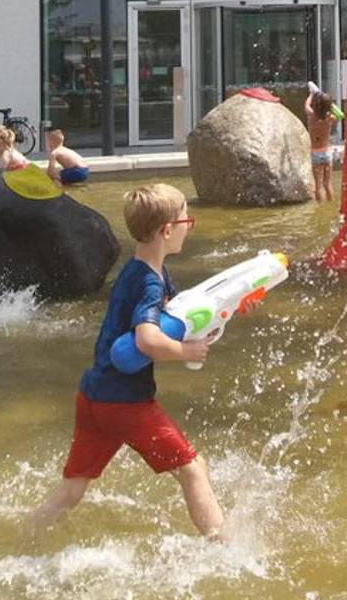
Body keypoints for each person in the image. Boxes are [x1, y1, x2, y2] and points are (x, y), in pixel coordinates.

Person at [32, 183, 225, 540]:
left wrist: (218, 322)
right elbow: (148, 339)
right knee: (193, 469)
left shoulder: (140, 271)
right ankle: (226, 550)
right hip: (124, 402)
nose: (189, 226)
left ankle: (24, 535)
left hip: (93, 396)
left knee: (75, 485)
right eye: (188, 220)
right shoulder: (151, 283)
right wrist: (186, 353)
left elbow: (176, 322)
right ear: (167, 230)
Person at [304, 89, 340, 202]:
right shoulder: (330, 118)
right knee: (327, 183)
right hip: (327, 153)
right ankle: (330, 205)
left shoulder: (311, 116)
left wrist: (311, 94)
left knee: (318, 185)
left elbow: (306, 104)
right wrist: (329, 104)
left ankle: (320, 208)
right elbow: (339, 115)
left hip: (316, 153)